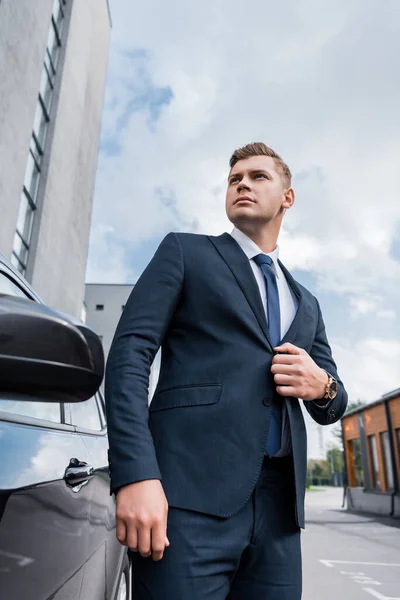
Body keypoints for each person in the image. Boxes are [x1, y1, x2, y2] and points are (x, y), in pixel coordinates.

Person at [105, 142, 348, 599]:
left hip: (279, 518)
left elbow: (332, 405)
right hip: (185, 502)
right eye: (235, 178)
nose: (242, 184)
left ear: (287, 198)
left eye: (258, 177)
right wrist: (136, 474)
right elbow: (129, 356)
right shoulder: (185, 253)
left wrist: (322, 386)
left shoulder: (306, 302)